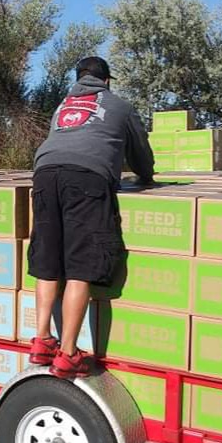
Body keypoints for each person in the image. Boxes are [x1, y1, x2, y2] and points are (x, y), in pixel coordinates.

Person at [27, 56, 154, 379]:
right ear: (107, 80)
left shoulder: (62, 105)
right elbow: (139, 151)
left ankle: (41, 339)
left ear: (78, 79)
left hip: (44, 176)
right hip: (86, 179)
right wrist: (146, 177)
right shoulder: (119, 105)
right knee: (80, 266)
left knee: (48, 259)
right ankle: (69, 353)